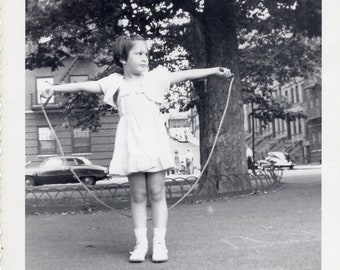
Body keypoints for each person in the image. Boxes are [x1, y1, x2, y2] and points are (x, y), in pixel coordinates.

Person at [41, 34, 232, 263]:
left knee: (157, 192)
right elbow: (86, 85)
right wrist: (55, 88)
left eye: (147, 54)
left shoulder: (156, 78)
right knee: (138, 195)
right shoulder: (115, 83)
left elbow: (186, 74)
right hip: (132, 143)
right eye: (139, 54)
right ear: (123, 59)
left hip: (153, 140)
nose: (145, 58)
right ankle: (141, 244)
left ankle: (159, 243)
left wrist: (213, 71)